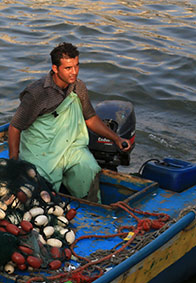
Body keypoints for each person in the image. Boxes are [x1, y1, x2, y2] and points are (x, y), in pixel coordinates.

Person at [8, 42, 131, 202]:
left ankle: (92, 208)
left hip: (71, 147)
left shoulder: (78, 87)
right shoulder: (37, 94)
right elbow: (15, 127)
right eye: (68, 68)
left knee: (90, 168)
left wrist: (116, 138)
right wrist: (13, 162)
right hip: (42, 150)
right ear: (55, 68)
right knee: (40, 189)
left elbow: (91, 118)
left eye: (76, 66)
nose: (74, 72)